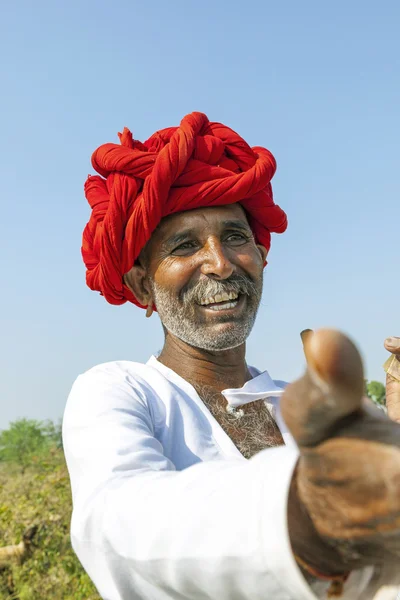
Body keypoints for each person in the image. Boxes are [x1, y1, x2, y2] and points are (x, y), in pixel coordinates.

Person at [63, 112, 400, 600]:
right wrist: (310, 513)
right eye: (184, 245)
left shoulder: (313, 408)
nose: (220, 263)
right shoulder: (120, 391)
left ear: (262, 256)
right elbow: (118, 526)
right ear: (142, 285)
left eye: (236, 237)